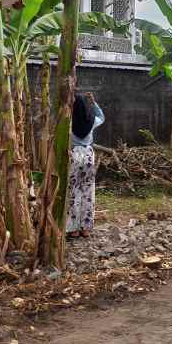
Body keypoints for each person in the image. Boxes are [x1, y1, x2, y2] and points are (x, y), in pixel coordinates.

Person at [67, 92, 104, 238]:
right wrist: (94, 103)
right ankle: (86, 228)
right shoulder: (91, 120)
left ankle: (74, 229)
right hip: (88, 155)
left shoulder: (68, 121)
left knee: (74, 191)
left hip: (74, 155)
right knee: (88, 191)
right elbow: (102, 117)